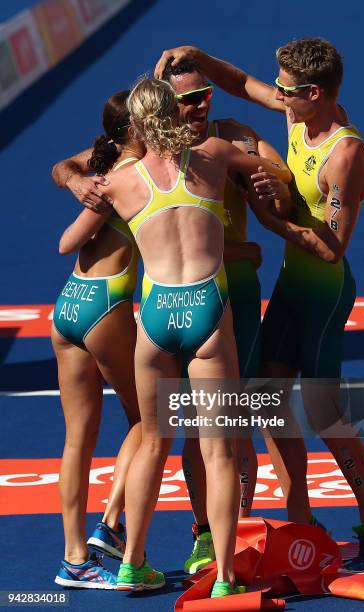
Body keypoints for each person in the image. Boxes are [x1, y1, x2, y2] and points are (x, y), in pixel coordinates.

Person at [155, 39, 364, 572]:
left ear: (312, 93)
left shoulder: (345, 153)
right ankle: (301, 514)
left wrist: (271, 221)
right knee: (267, 400)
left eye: (285, 88)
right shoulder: (299, 117)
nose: (276, 94)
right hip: (292, 287)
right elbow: (242, 84)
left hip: (323, 294)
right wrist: (198, 56)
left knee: (322, 410)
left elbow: (333, 248)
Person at [98, 76, 291, 597]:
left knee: (152, 445)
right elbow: (276, 173)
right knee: (220, 452)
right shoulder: (213, 153)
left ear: (134, 123)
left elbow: (67, 237)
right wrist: (273, 185)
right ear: (178, 110)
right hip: (208, 312)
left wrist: (82, 181)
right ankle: (225, 578)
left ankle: (132, 563)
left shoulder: (120, 180)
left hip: (156, 318)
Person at [160, 58, 291, 575]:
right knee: (194, 429)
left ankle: (238, 526)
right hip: (181, 299)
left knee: (236, 424)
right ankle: (202, 531)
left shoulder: (232, 136)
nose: (200, 106)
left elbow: (282, 180)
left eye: (205, 95)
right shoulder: (148, 150)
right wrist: (75, 183)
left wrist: (268, 184)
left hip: (233, 297)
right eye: (187, 100)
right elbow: (71, 166)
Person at [51, 91, 145, 588]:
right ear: (135, 129)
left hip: (68, 305)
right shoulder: (131, 172)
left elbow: (60, 168)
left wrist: (76, 181)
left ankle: (73, 561)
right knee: (149, 420)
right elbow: (69, 238)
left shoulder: (107, 156)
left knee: (77, 439)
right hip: (106, 306)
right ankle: (109, 525)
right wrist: (98, 197)